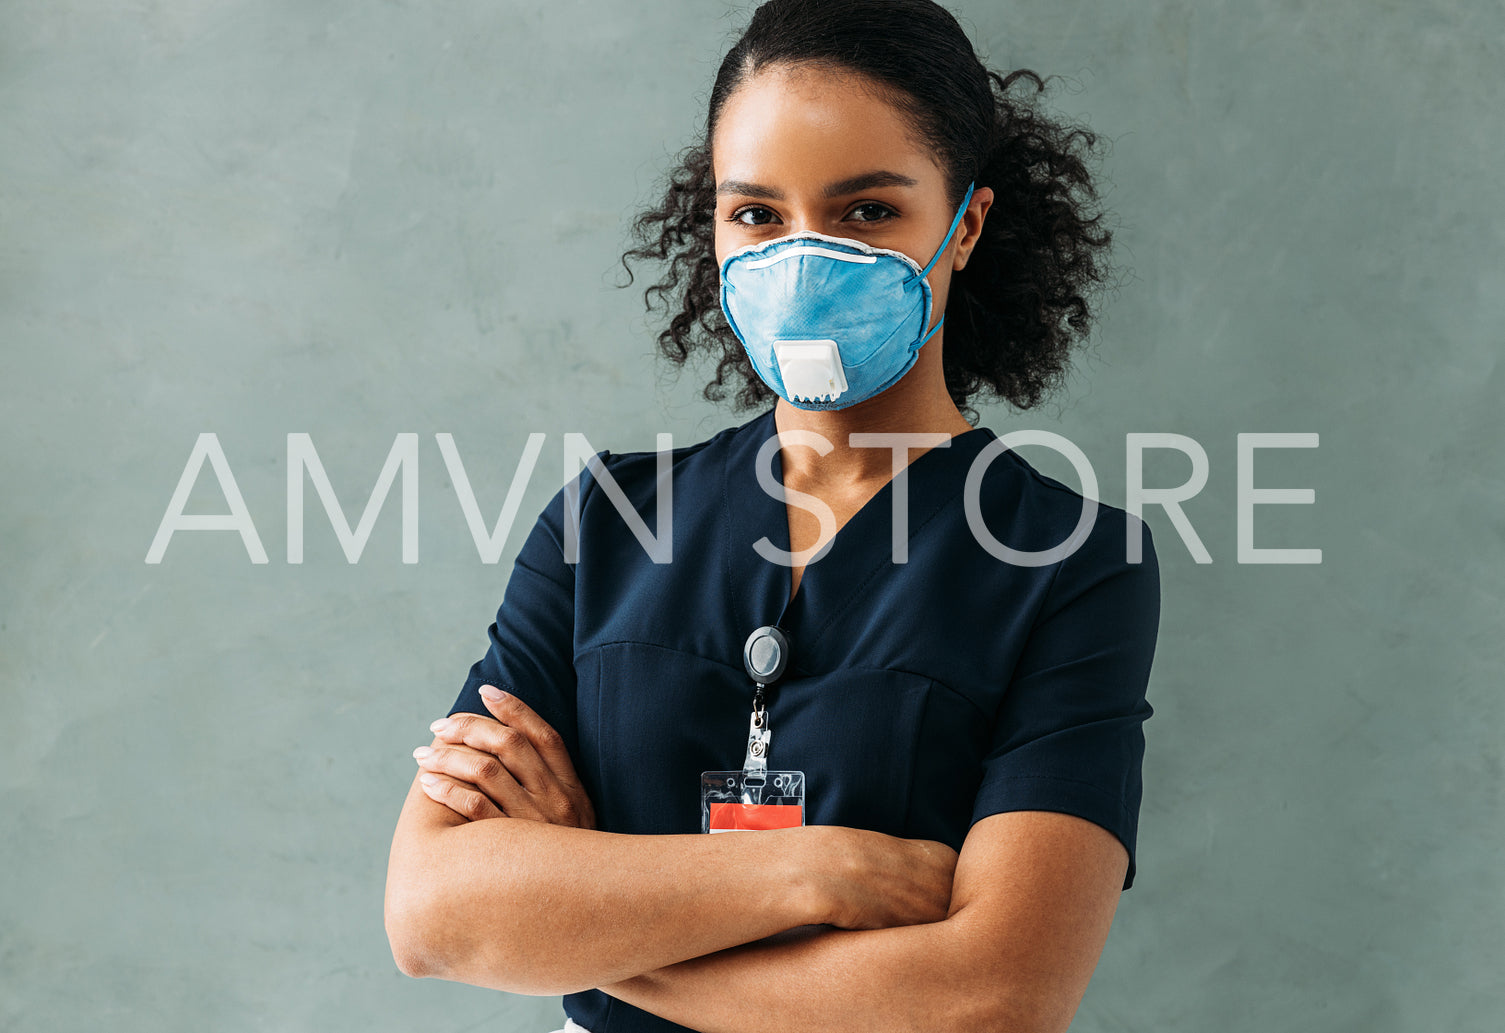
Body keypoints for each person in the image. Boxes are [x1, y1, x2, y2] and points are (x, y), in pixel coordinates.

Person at [384, 2, 1162, 1032]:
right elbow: (433, 913)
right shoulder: (606, 522)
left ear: (964, 225)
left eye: (866, 213)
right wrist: (817, 870)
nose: (803, 259)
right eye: (756, 214)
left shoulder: (1070, 563)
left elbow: (993, 998)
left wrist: (584, 925)